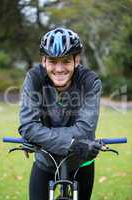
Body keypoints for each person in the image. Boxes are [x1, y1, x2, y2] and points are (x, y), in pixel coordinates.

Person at [18, 27, 102, 200]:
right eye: (53, 61)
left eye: (65, 61)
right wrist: (71, 143)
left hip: (81, 161)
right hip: (45, 161)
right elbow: (28, 126)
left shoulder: (90, 81)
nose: (59, 68)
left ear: (76, 60)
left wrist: (39, 136)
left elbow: (85, 131)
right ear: (44, 61)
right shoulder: (34, 78)